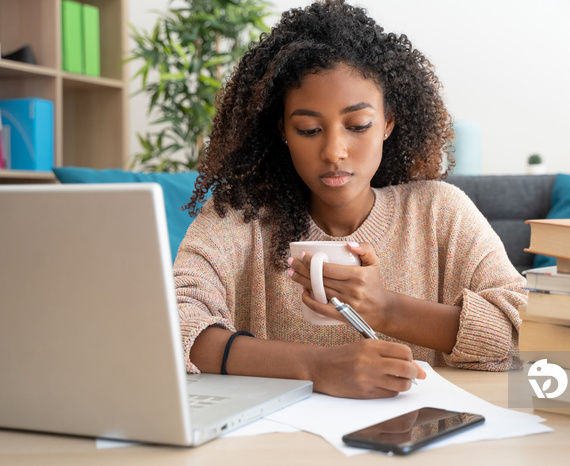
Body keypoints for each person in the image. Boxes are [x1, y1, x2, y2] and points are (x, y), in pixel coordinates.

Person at [176, 0, 527, 399]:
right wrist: (314, 367)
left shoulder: (440, 212)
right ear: (283, 131)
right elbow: (169, 323)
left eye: (358, 125)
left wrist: (386, 308)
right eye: (309, 129)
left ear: (388, 124)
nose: (334, 151)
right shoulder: (242, 218)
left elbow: (527, 335)